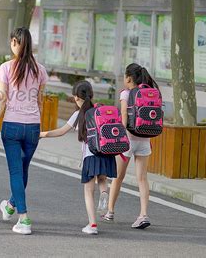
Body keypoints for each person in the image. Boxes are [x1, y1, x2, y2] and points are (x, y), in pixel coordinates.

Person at [40, 81, 117, 235]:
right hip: (107, 153)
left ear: (76, 97)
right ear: (91, 94)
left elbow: (61, 131)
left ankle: (93, 225)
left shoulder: (78, 115)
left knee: (88, 191)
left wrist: (43, 134)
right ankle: (104, 193)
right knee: (102, 180)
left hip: (90, 156)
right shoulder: (99, 110)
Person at [0, 27, 48, 235]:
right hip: (33, 127)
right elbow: (40, 100)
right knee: (23, 170)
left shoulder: (7, 67)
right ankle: (9, 206)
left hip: (12, 126)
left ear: (16, 42)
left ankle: (24, 218)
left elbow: (2, 98)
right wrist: (38, 122)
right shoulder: (40, 69)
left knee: (17, 171)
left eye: (11, 42)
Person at [104, 63, 159, 229]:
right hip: (145, 140)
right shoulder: (148, 92)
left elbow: (123, 117)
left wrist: (119, 139)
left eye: (124, 77)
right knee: (142, 178)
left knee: (118, 177)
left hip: (128, 140)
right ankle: (143, 214)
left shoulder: (126, 94)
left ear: (128, 78)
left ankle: (110, 212)